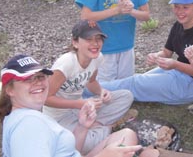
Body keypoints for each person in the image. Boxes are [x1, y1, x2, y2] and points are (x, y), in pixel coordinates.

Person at [0, 54, 154, 157]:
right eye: (27, 79)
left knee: (127, 134)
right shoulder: (29, 124)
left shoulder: (23, 116)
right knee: (143, 152)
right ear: (9, 90)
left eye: (40, 76)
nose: (37, 82)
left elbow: (68, 151)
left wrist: (82, 127)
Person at [87, 0, 193, 105]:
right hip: (177, 72)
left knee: (135, 83)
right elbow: (167, 52)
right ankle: (94, 92)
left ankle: (88, 90)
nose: (180, 11)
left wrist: (175, 64)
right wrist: (156, 55)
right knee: (139, 79)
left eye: (185, 7)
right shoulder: (178, 25)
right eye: (177, 7)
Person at [42, 20, 136, 155]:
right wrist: (80, 103)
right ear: (75, 42)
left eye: (98, 39)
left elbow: (91, 82)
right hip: (59, 117)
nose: (95, 43)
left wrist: (102, 91)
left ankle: (95, 127)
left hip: (81, 108)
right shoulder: (66, 64)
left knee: (126, 96)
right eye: (88, 39)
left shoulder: (97, 58)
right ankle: (103, 129)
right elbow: (46, 98)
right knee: (82, 144)